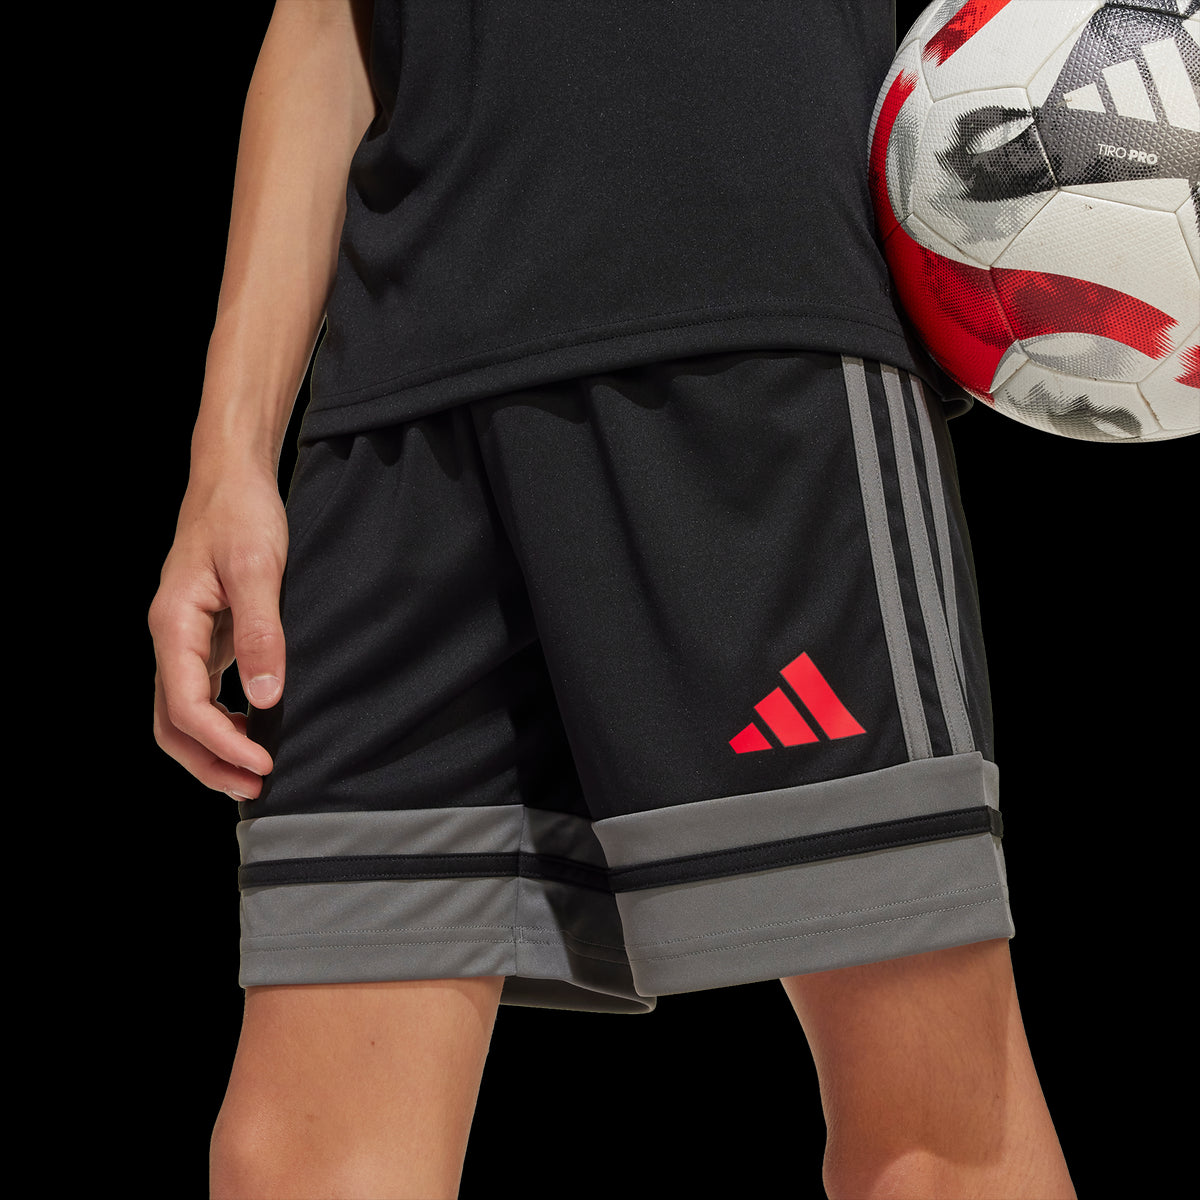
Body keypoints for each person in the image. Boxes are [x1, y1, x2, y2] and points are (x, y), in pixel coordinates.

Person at [148, 2, 1078, 1197]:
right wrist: (228, 456)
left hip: (751, 339)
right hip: (401, 400)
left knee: (937, 1136)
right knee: (297, 1159)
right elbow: (328, 21)